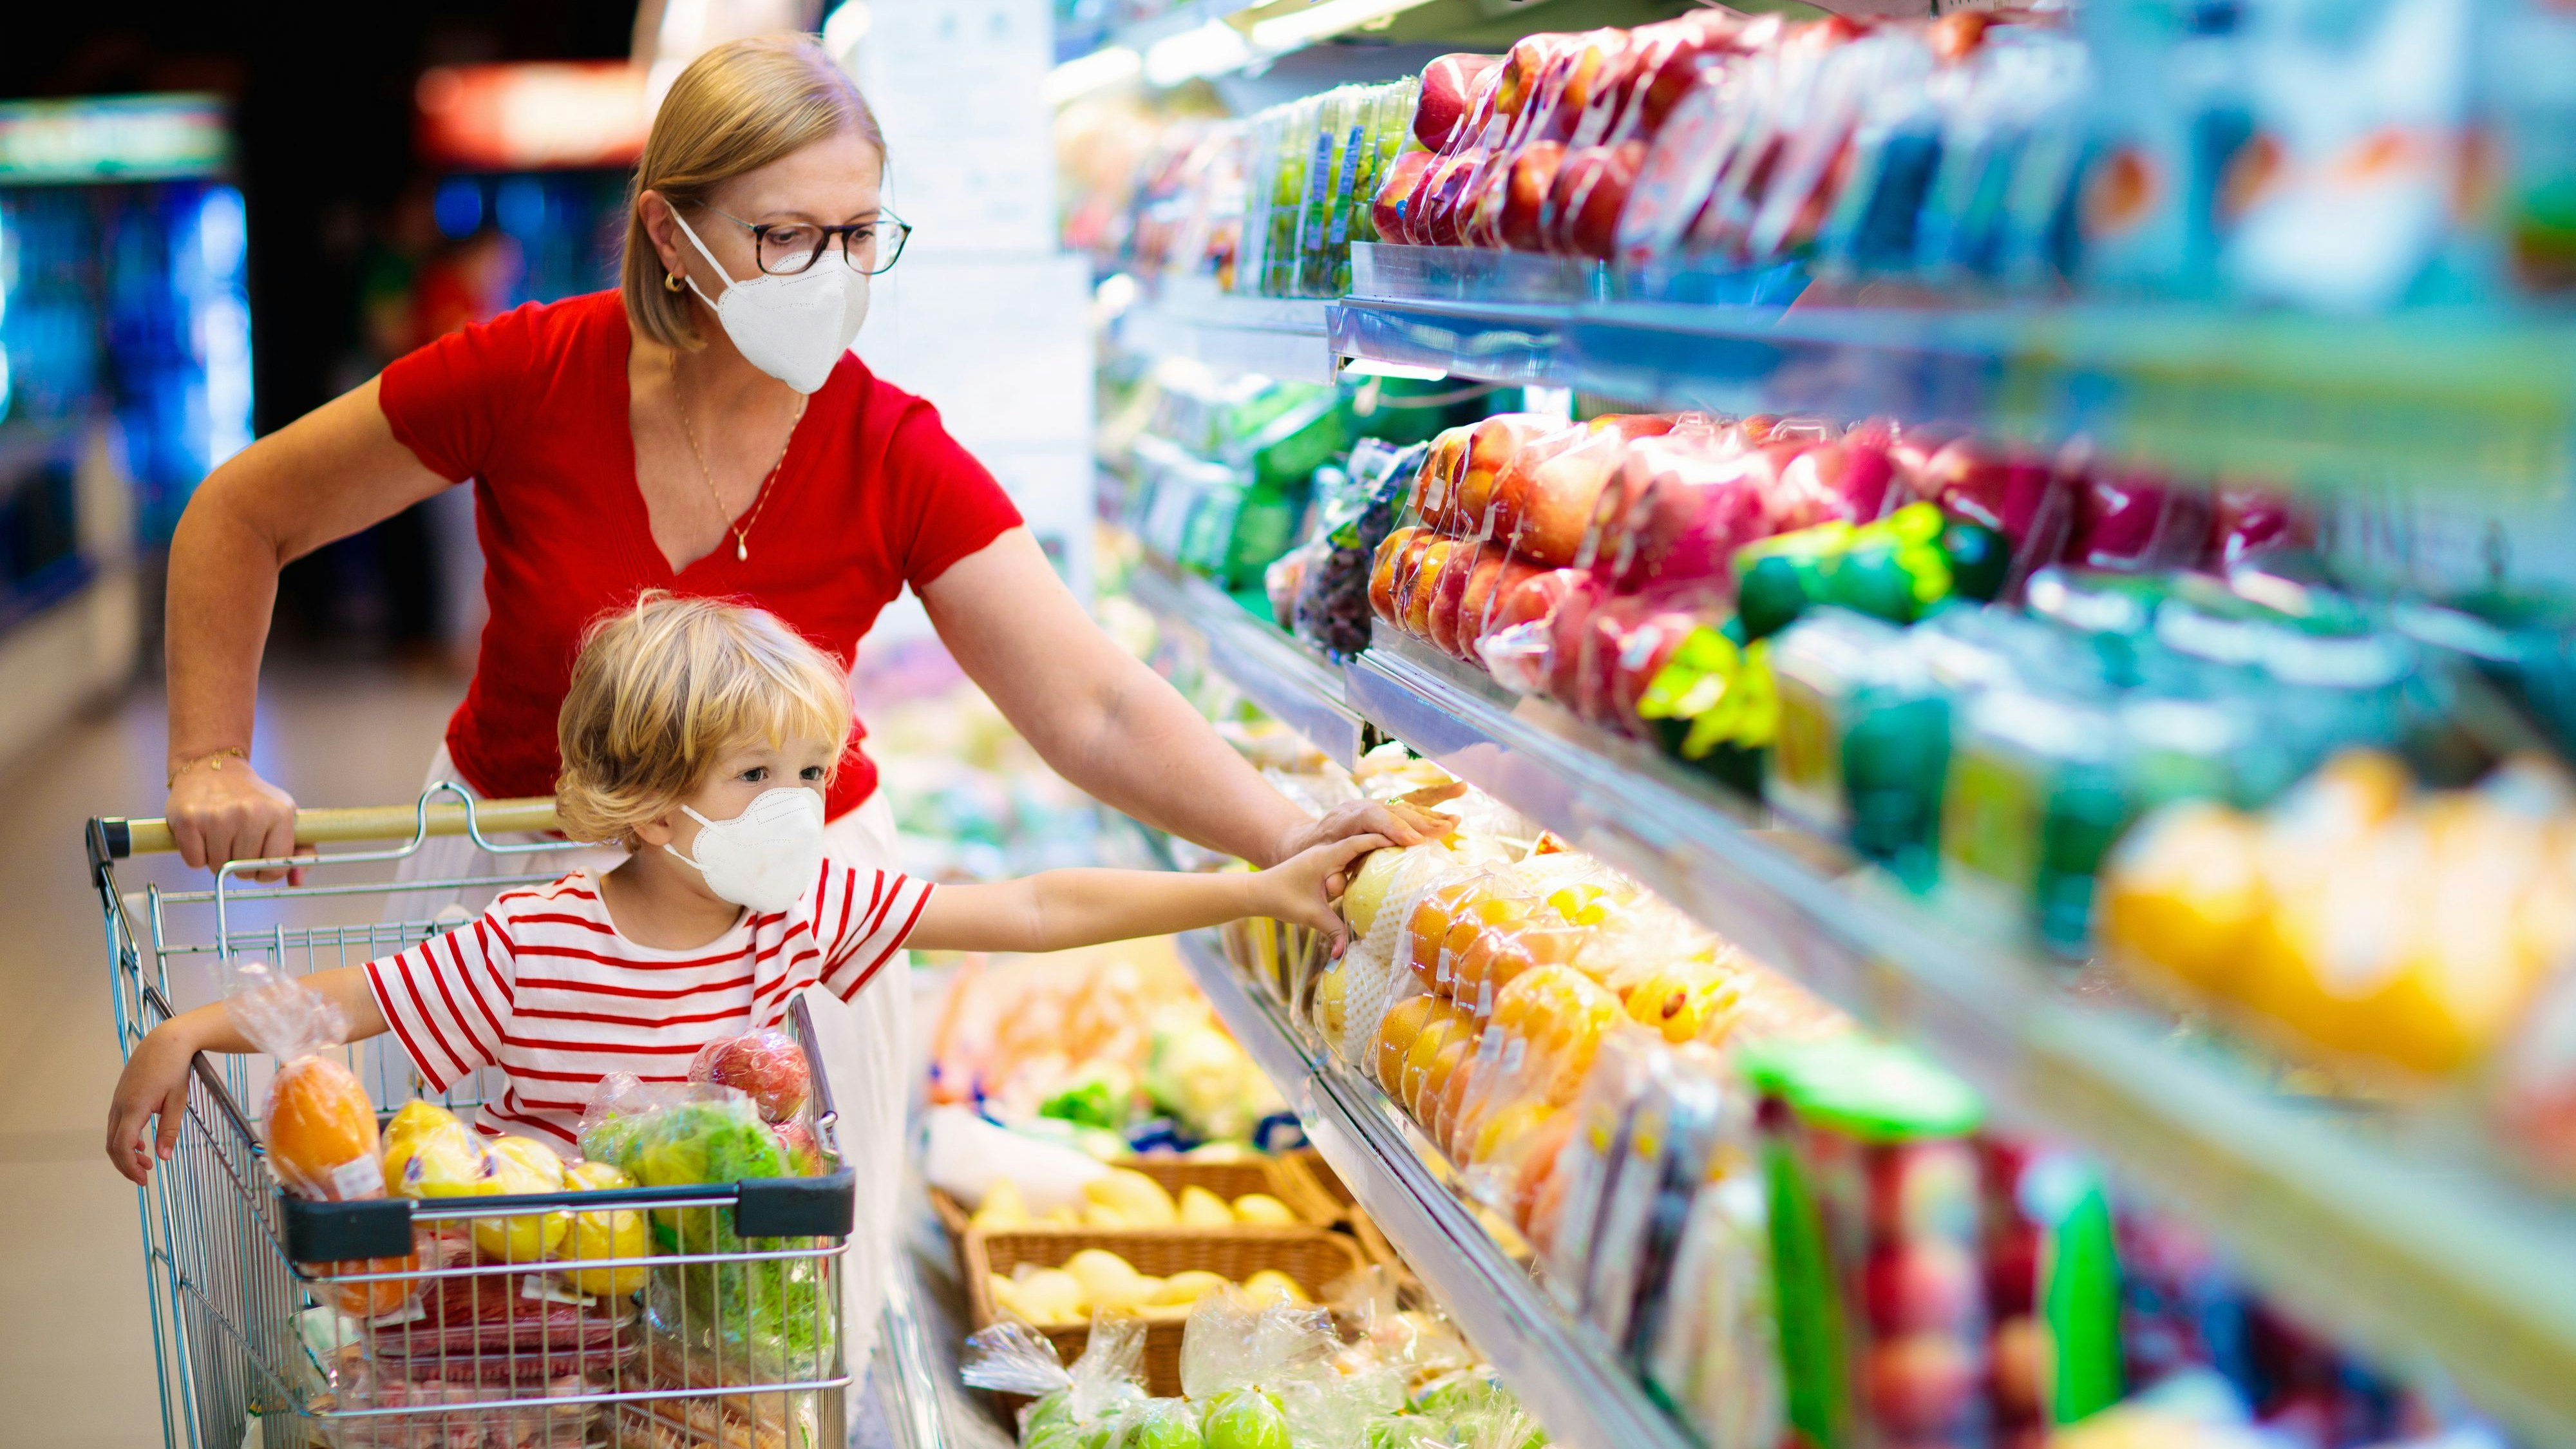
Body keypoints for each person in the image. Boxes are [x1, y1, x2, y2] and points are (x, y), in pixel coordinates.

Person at [148, 33, 1428, 1365]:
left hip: (778, 920)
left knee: (758, 1333)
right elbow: (244, 515)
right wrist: (206, 757)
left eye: (859, 234)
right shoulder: (525, 374)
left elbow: (1090, 706)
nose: (829, 274)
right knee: (497, 1303)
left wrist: (1281, 837)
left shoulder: (889, 448)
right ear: (670, 232)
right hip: (518, 900)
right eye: (782, 235)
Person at [109, 592, 1378, 1172]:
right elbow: (354, 1000)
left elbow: (1037, 909)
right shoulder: (530, 942)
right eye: (755, 776)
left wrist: (1254, 887)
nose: (798, 808)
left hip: (732, 1334)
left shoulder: (802, 912)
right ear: (652, 809)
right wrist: (188, 1030)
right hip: (549, 1311)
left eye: (813, 773)